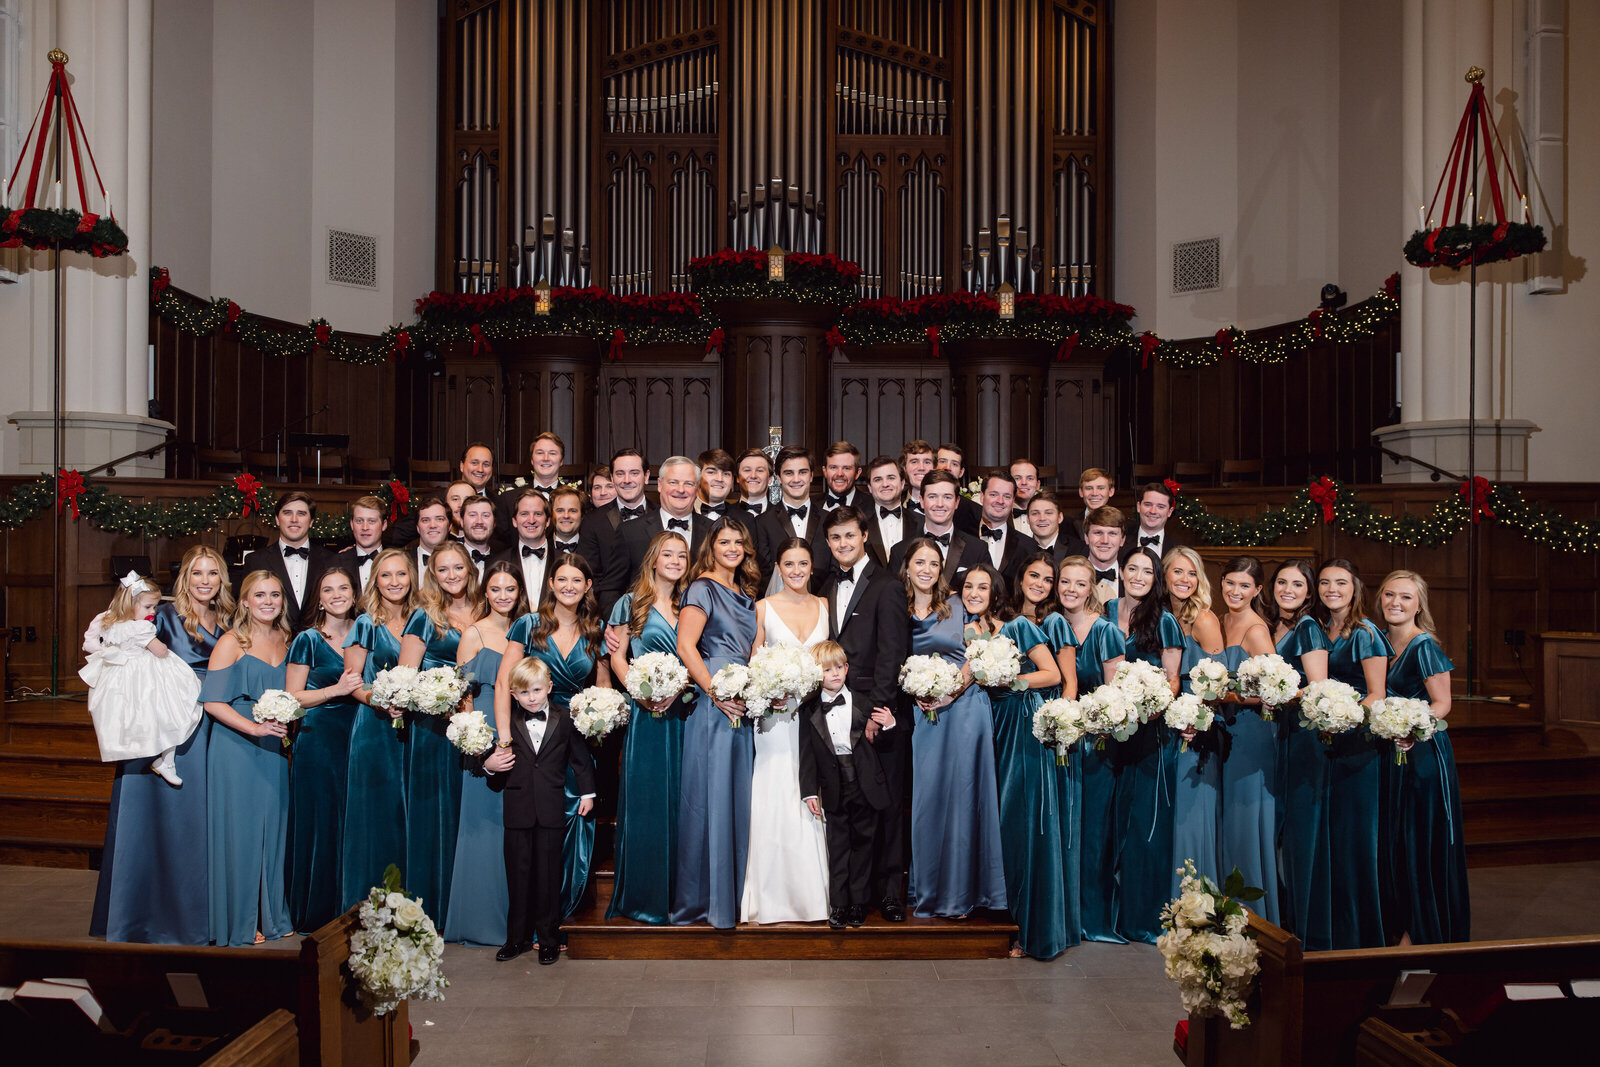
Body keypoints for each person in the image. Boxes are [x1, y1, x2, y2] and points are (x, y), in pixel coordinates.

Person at [91, 546, 232, 945]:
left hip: (213, 725)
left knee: (198, 823)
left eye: (213, 573)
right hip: (164, 725)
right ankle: (143, 917)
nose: (204, 581)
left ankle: (198, 917)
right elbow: (123, 648)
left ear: (222, 579)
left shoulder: (229, 618)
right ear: (184, 578)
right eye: (196, 573)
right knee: (159, 820)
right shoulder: (163, 616)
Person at [495, 554, 607, 925]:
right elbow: (503, 683)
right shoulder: (528, 625)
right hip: (530, 742)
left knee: (573, 820)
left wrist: (601, 715)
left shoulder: (595, 630)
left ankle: (560, 916)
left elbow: (603, 686)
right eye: (562, 579)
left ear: (588, 585)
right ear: (551, 584)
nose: (569, 586)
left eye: (577, 580)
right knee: (527, 838)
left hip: (574, 742)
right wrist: (505, 741)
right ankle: (523, 925)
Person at [900, 537, 1008, 918]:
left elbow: (978, 654)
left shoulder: (959, 605)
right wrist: (923, 693)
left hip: (964, 709)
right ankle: (928, 888)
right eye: (920, 562)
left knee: (964, 796)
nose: (927, 569)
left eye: (934, 563)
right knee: (928, 799)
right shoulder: (898, 608)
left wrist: (950, 692)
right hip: (922, 711)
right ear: (908, 566)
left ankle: (963, 893)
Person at [970, 564, 1070, 959]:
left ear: (996, 592)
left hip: (1020, 730)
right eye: (968, 587)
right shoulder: (970, 633)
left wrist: (1015, 681)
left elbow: (1054, 674)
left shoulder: (1018, 627)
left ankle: (1029, 931)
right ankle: (1000, 917)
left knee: (1020, 824)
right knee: (994, 821)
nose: (975, 592)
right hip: (986, 728)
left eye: (983, 587)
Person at [820, 505, 912, 920]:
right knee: (849, 807)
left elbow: (893, 652)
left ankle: (889, 893)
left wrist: (879, 712)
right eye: (836, 538)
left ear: (864, 536)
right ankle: (854, 895)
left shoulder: (887, 586)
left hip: (875, 714)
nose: (843, 544)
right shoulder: (824, 584)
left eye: (850, 536)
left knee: (885, 804)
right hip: (833, 711)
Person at [671, 518, 761, 928]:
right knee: (712, 796)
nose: (732, 547)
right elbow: (686, 646)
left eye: (738, 541)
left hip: (744, 699)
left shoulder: (745, 593)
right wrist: (716, 693)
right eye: (724, 541)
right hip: (716, 702)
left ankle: (737, 895)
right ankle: (708, 899)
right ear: (711, 546)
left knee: (737, 796)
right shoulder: (702, 587)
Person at [200, 570, 293, 946]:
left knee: (273, 831)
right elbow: (212, 703)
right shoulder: (231, 642)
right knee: (240, 836)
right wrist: (254, 729)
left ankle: (271, 916)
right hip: (236, 748)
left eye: (274, 595)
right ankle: (240, 921)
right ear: (244, 602)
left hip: (275, 748)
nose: (268, 601)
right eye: (260, 595)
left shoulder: (287, 640)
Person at [742, 538, 832, 924]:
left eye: (803, 563)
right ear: (778, 568)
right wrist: (769, 691)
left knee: (809, 793)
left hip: (816, 717)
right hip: (776, 720)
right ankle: (771, 896)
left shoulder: (826, 606)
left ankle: (812, 895)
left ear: (812, 567)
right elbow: (752, 663)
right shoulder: (763, 608)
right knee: (776, 790)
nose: (796, 571)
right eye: (789, 564)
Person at [1377, 569, 1469, 945]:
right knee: (1394, 842)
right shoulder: (1378, 640)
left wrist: (1409, 724)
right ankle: (1396, 926)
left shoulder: (1424, 646)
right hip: (1389, 753)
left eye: (1405, 597)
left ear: (1419, 605)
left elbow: (1443, 704)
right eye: (1389, 595)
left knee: (1418, 841)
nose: (1395, 603)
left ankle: (1423, 932)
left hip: (1422, 756)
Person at [605, 531, 692, 923]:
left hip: (686, 714)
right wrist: (641, 694)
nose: (675, 560)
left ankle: (682, 894)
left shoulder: (690, 603)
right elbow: (617, 657)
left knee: (685, 802)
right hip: (647, 714)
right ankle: (644, 894)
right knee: (648, 801)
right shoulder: (629, 603)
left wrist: (680, 688)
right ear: (653, 559)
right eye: (668, 554)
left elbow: (696, 657)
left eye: (682, 555)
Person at [486, 657, 597, 966]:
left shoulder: (565, 719)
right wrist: (488, 764)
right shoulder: (507, 724)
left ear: (549, 687)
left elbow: (580, 759)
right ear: (513, 695)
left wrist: (588, 793)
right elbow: (491, 761)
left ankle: (548, 939)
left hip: (551, 810)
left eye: (536, 690)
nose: (531, 698)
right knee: (518, 877)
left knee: (548, 877)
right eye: (524, 693)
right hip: (517, 811)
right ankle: (515, 939)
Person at [443, 560, 529, 946]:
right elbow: (459, 698)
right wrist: (480, 749)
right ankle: (482, 922)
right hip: (485, 739)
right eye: (496, 589)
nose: (503, 596)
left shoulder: (528, 630)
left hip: (521, 737)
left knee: (517, 831)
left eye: (510, 589)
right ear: (486, 593)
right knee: (485, 831)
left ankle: (518, 920)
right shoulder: (474, 634)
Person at [396, 542, 481, 924]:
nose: (451, 576)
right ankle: (433, 906)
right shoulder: (423, 617)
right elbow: (405, 678)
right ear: (433, 575)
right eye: (442, 570)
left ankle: (469, 902)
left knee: (473, 811)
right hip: (433, 728)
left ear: (470, 569)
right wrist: (441, 699)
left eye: (457, 568)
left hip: (479, 723)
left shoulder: (485, 608)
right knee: (436, 813)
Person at [1105, 546, 1183, 944]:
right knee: (1109, 825)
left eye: (1147, 571)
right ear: (1120, 571)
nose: (1138, 576)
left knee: (1143, 829)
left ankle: (1142, 917)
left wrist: (1147, 708)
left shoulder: (1165, 621)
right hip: (1106, 734)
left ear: (1156, 578)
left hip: (1148, 734)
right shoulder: (1104, 610)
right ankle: (1107, 917)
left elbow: (1173, 680)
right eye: (1131, 568)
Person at [1316, 558, 1392, 950]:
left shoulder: (1365, 633)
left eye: (1341, 583)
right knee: (1330, 837)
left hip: (1357, 745)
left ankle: (1361, 931)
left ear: (1356, 587)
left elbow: (1378, 692)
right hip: (1325, 744)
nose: (1332, 589)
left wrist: (1344, 716)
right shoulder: (1322, 628)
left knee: (1354, 837)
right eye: (1326, 582)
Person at [284, 567, 365, 932]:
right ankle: (316, 912)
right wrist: (335, 690)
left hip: (359, 737)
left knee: (354, 824)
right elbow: (293, 696)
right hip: (318, 740)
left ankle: (353, 907)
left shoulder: (365, 633)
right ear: (319, 599)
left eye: (343, 588)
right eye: (328, 589)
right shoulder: (307, 640)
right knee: (321, 824)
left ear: (354, 592)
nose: (336, 595)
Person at [1053, 555, 1125, 942]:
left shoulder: (1107, 632)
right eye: (1065, 582)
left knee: (1094, 831)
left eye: (1080, 584)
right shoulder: (1050, 626)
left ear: (1092, 588)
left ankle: (1092, 918)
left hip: (1096, 744)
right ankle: (1060, 913)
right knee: (1062, 829)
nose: (1071, 590)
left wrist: (1090, 722)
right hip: (1059, 742)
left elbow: (1115, 697)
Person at [341, 548, 418, 911]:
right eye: (385, 576)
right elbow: (352, 681)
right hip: (374, 728)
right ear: (375, 581)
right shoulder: (364, 623)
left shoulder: (422, 618)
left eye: (400, 574)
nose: (394, 582)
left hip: (415, 729)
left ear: (411, 577)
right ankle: (370, 901)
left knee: (409, 812)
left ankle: (410, 901)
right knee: (377, 813)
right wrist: (380, 701)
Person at [80, 572, 203, 787]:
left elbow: (89, 643)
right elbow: (160, 651)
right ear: (130, 605)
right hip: (142, 676)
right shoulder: (140, 628)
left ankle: (149, 753)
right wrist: (160, 646)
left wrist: (108, 650)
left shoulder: (106, 619)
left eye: (154, 607)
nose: (153, 612)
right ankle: (167, 760)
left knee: (134, 715)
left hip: (116, 679)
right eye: (148, 607)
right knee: (173, 709)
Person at [800, 640, 891, 929]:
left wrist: (889, 724)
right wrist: (809, 791)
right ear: (817, 674)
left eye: (839, 667)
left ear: (847, 668)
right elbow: (808, 755)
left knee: (863, 847)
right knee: (838, 847)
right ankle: (838, 906)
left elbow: (886, 744)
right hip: (834, 785)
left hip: (865, 784)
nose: (835, 674)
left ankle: (857, 905)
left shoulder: (865, 702)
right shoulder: (810, 710)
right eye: (827, 670)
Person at [1267, 558, 1333, 947]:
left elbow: (1318, 685)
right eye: (1281, 582)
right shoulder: (1276, 625)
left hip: (1301, 736)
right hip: (1277, 734)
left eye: (1297, 584)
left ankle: (1303, 925)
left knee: (1297, 831)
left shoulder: (1307, 628)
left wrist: (1278, 694)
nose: (1287, 589)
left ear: (1309, 592)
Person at [1213, 556, 1280, 923]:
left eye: (1244, 586)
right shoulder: (1220, 620)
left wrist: (1225, 694)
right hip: (1224, 729)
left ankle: (1254, 915)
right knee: (1226, 817)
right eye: (1230, 583)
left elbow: (1274, 690)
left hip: (1251, 732)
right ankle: (1226, 904)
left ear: (1257, 590)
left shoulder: (1256, 630)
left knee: (1244, 818)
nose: (1235, 591)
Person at [1164, 547, 1225, 897]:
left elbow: (1218, 682)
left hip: (1196, 730)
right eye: (1177, 572)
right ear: (1165, 575)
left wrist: (1195, 719)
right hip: (1163, 727)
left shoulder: (1204, 619)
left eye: (1191, 573)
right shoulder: (1158, 615)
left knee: (1190, 819)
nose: (1184, 580)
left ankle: (1194, 904)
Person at [241, 491, 337, 628]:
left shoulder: (331, 559)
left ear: (311, 522)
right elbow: (244, 609)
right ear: (277, 519)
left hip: (318, 642)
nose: (294, 519)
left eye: (301, 514)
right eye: (287, 513)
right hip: (272, 641)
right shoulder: (255, 560)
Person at [577, 449, 650, 616]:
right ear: (612, 477)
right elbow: (590, 577)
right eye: (620, 473)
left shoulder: (661, 514)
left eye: (634, 473)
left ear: (646, 477)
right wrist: (613, 620)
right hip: (608, 616)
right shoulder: (592, 521)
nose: (626, 480)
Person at [887, 470, 985, 589]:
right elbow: (893, 599)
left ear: (957, 502)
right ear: (922, 501)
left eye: (947, 497)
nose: (940, 504)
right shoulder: (900, 551)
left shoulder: (978, 549)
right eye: (932, 496)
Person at [386, 442, 497, 546]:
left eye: (486, 464)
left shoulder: (500, 502)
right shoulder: (435, 500)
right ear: (462, 466)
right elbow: (399, 536)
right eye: (474, 463)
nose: (480, 469)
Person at [621, 456, 712, 580]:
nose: (681, 489)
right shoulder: (630, 531)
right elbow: (611, 589)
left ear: (697, 489)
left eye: (688, 484)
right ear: (659, 485)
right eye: (673, 482)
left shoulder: (713, 531)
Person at [754, 445, 825, 589]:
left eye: (802, 472)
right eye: (789, 473)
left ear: (811, 476)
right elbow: (763, 574)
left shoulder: (828, 521)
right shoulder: (762, 522)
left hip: (822, 605)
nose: (796, 479)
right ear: (778, 478)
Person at [489, 488, 553, 608]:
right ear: (514, 521)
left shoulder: (563, 561)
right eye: (524, 514)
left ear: (548, 521)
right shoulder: (496, 562)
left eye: (538, 514)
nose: (531, 520)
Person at [860, 454, 920, 568]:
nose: (885, 484)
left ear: (902, 483)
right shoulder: (858, 523)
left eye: (891, 478)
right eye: (878, 479)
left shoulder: (922, 523)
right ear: (869, 487)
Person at [975, 471, 1031, 584]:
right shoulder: (962, 538)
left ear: (1013, 501)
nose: (1000, 501)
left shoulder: (1028, 546)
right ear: (982, 496)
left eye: (1007, 496)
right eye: (994, 494)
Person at [337, 495, 390, 593]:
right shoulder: (336, 563)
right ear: (352, 524)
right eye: (359, 521)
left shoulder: (396, 561)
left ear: (384, 525)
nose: (365, 527)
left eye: (371, 521)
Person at [1024, 491, 1087, 564]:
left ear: (1060, 517)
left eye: (1048, 513)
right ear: (1028, 519)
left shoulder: (1079, 549)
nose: (1042, 518)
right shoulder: (1019, 550)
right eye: (1035, 513)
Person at [934, 441, 982, 533]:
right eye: (942, 461)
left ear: (961, 472)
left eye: (954, 464)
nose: (948, 467)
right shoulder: (913, 502)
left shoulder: (975, 512)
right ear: (933, 466)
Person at [1082, 506, 1127, 598]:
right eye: (1098, 533)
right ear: (1086, 538)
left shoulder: (1132, 579)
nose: (1105, 540)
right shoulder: (1070, 575)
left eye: (1112, 533)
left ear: (1122, 540)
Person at [1129, 482, 1184, 558]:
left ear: (1169, 512)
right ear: (1138, 507)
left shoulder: (1180, 551)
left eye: (1160, 507)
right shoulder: (1119, 544)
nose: (1153, 511)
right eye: (1148, 504)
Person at [405, 497, 453, 577]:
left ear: (450, 526)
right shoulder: (403, 560)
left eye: (439, 519)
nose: (432, 525)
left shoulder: (463, 560)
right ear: (418, 528)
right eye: (425, 520)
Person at [695, 448, 743, 521]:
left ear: (732, 481)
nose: (719, 479)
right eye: (711, 472)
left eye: (726, 474)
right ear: (698, 477)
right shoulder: (679, 512)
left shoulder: (745, 519)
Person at [1070, 467, 1116, 539]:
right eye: (1089, 488)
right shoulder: (1069, 524)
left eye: (1100, 488)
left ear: (1111, 491)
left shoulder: (1125, 524)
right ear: (1081, 492)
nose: (1094, 493)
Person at [460, 496, 497, 580]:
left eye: (486, 515)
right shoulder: (449, 559)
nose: (479, 521)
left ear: (494, 523)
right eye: (472, 515)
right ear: (462, 522)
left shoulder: (505, 560)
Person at [820, 441, 864, 511]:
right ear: (825, 471)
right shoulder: (810, 505)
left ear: (857, 473)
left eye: (846, 468)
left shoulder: (873, 505)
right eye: (833, 467)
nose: (840, 474)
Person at [900, 439, 936, 517]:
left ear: (934, 468)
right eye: (914, 462)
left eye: (927, 462)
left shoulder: (949, 504)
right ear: (904, 468)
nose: (921, 467)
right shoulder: (893, 503)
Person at [736, 448, 773, 516]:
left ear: (770, 478)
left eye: (760, 470)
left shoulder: (783, 517)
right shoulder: (723, 515)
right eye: (747, 470)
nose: (753, 476)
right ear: (737, 478)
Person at [549, 486, 584, 554]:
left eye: (572, 511)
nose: (566, 516)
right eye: (560, 511)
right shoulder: (542, 547)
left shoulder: (594, 547)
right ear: (550, 514)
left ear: (582, 515)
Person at [1008, 457, 1041, 530]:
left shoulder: (1047, 516)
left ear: (1037, 485)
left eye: (1030, 478)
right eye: (1017, 478)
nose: (1024, 483)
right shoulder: (997, 513)